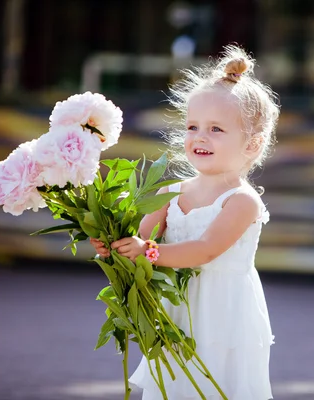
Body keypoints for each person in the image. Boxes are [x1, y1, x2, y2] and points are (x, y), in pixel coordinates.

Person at [90, 44, 280, 400]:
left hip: (224, 312)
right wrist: (114, 246)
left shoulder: (241, 201)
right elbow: (141, 237)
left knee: (216, 382)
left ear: (252, 144)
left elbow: (206, 250)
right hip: (176, 308)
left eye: (216, 129)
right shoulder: (171, 192)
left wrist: (146, 251)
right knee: (176, 384)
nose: (200, 137)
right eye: (193, 126)